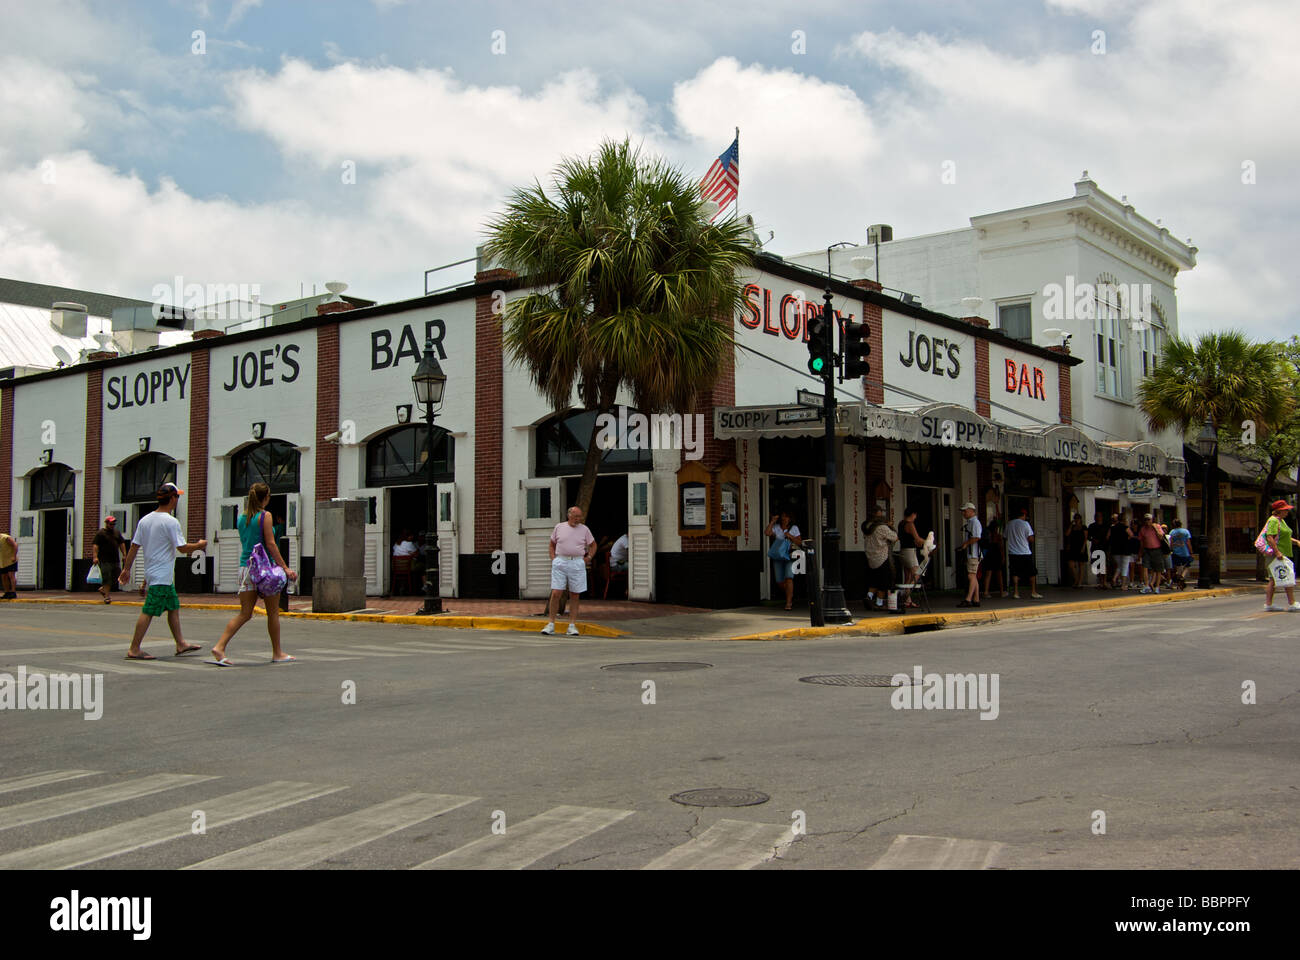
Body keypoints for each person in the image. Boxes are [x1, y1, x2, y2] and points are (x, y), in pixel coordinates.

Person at [209, 482, 300, 666]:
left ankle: (220, 646)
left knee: (245, 613)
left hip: (246, 567)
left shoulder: (242, 518)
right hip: (265, 569)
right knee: (273, 613)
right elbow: (271, 544)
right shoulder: (265, 516)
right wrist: (285, 567)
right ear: (265, 498)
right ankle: (277, 652)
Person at [117, 482, 207, 659]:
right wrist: (199, 545)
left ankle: (181, 644)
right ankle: (134, 648)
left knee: (173, 607)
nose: (178, 500)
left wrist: (127, 569)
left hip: (155, 573)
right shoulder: (171, 522)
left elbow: (134, 547)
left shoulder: (145, 520)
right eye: (177, 497)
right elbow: (182, 548)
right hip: (161, 575)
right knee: (149, 610)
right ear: (172, 498)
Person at [542, 506, 597, 634]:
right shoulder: (559, 527)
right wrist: (553, 558)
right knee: (556, 592)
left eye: (579, 516)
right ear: (569, 515)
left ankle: (572, 625)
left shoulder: (584, 529)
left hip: (577, 561)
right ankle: (551, 624)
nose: (578, 519)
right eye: (576, 516)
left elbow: (593, 545)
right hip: (560, 561)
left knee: (575, 593)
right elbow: (552, 544)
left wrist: (588, 558)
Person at [1262, 500, 1299, 612]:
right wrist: (1277, 552)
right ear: (1279, 511)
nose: (1287, 511)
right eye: (1285, 509)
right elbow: (1270, 537)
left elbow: (1283, 536)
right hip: (1276, 554)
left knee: (1275, 579)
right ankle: (1292, 603)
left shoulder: (1280, 521)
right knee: (1286, 577)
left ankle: (1269, 604)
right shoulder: (1273, 520)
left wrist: (1295, 541)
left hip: (1282, 553)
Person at [765, 511, 803, 611]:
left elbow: (800, 542)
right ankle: (789, 593)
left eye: (786, 517)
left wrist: (790, 536)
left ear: (790, 518)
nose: (784, 518)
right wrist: (772, 522)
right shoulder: (777, 527)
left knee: (789, 577)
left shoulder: (794, 528)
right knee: (779, 581)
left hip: (789, 555)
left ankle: (788, 602)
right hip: (778, 556)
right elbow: (767, 533)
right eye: (782, 516)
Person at [862, 508, 899, 611]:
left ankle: (869, 596)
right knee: (883, 582)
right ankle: (879, 603)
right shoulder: (882, 527)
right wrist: (890, 527)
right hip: (882, 557)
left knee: (874, 580)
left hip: (870, 557)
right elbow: (895, 537)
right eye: (880, 514)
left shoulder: (866, 526)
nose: (882, 515)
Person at [1005, 508, 1042, 599]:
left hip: (1013, 552)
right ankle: (1033, 591)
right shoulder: (1025, 524)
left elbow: (1005, 537)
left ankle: (1016, 592)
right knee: (1032, 572)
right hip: (1025, 552)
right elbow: (1030, 539)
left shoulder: (1009, 524)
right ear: (1024, 515)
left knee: (1015, 572)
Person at [91, 515, 126, 604]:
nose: (112, 525)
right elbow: (95, 545)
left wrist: (124, 555)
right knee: (107, 578)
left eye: (114, 523)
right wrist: (95, 557)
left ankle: (103, 589)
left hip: (115, 559)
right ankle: (107, 596)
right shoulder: (100, 533)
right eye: (111, 523)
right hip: (104, 559)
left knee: (117, 576)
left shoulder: (117, 532)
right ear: (106, 523)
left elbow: (121, 543)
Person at [896, 508, 925, 608]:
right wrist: (927, 542)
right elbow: (917, 539)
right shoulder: (910, 524)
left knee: (907, 577)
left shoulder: (901, 523)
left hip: (902, 551)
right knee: (917, 574)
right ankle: (904, 594)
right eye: (915, 515)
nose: (915, 517)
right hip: (910, 552)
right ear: (913, 514)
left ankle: (908, 601)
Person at [957, 502, 982, 607]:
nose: (963, 513)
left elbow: (976, 537)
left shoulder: (975, 522)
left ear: (971, 511)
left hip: (974, 553)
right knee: (973, 576)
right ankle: (976, 599)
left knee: (971, 575)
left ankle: (968, 599)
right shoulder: (970, 522)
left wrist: (965, 544)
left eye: (965, 511)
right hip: (971, 553)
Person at [979, 520, 1007, 599]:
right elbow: (1001, 547)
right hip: (996, 554)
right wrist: (1003, 557)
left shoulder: (987, 535)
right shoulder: (998, 536)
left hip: (988, 554)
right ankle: (1002, 592)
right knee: (999, 574)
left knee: (988, 574)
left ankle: (986, 592)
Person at [1108, 513, 1132, 590]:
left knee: (1120, 565)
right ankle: (1123, 585)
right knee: (1124, 567)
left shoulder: (1113, 528)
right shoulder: (1125, 527)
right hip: (1125, 549)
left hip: (1115, 550)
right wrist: (1126, 539)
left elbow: (1107, 537)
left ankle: (1114, 578)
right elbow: (1131, 535)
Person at [1168, 518, 1193, 588]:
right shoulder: (1185, 531)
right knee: (1187, 566)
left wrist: (1171, 549)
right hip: (1185, 552)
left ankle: (1179, 582)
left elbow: (1171, 543)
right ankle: (1182, 577)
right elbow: (1188, 542)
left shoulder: (1172, 532)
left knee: (1179, 568)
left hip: (1176, 552)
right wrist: (1191, 551)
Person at [1087, 511, 1109, 588]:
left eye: (1099, 516)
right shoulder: (1091, 526)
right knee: (1096, 565)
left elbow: (1108, 535)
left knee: (1104, 565)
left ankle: (1104, 582)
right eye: (1096, 516)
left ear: (1102, 517)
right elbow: (1088, 536)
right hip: (1095, 547)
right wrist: (1093, 539)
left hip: (1104, 547)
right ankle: (1100, 582)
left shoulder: (1106, 525)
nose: (1098, 517)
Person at [1066, 514, 1087, 588]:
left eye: (1078, 518)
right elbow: (1067, 534)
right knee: (1071, 564)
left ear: (1080, 519)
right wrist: (1071, 525)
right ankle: (1076, 579)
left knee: (1081, 565)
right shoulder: (1072, 527)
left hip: (1081, 547)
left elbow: (1085, 538)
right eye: (1075, 518)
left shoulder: (1083, 527)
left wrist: (1083, 547)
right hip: (1073, 547)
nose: (1077, 520)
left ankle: (1079, 582)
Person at [1, 531, 19, 599]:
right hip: (2, 561)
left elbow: (15, 545)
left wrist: (14, 556)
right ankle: (7, 592)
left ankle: (13, 592)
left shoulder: (5, 538)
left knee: (11, 575)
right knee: (4, 577)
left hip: (11, 560)